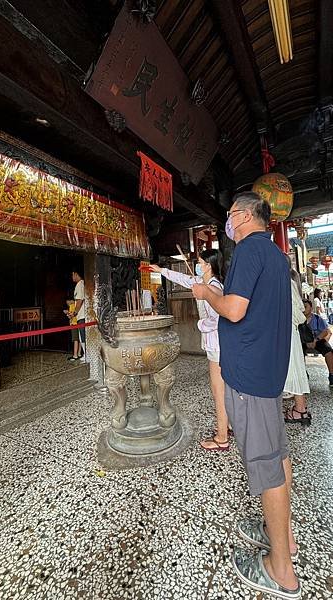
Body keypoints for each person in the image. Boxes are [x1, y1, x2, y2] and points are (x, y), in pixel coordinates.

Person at [192, 192, 300, 599]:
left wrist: (206, 294)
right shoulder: (273, 254)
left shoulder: (248, 251)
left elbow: (235, 309)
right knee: (280, 453)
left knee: (266, 463)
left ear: (243, 215)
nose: (227, 221)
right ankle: (282, 536)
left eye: (229, 215)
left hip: (252, 377)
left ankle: (281, 571)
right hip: (268, 370)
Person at [151, 249, 230, 451]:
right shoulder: (204, 283)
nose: (198, 265)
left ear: (209, 266)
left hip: (218, 343)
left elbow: (219, 317)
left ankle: (222, 437)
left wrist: (201, 324)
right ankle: (227, 424)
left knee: (218, 390)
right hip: (216, 343)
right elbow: (184, 278)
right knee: (223, 388)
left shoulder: (214, 288)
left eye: (201, 262)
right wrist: (161, 270)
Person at [283, 257, 311, 425]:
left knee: (293, 369)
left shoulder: (285, 282)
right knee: (295, 369)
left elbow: (297, 314)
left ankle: (300, 410)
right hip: (289, 333)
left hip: (288, 333)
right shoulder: (290, 281)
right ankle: (300, 409)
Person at [303, 299, 333, 386]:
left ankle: (331, 374)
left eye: (306, 307)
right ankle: (303, 373)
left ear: (311, 308)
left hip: (318, 340)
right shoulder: (299, 319)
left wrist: (316, 340)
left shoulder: (317, 318)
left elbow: (325, 331)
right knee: (297, 351)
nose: (303, 309)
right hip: (303, 341)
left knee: (328, 350)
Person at [67, 270, 85, 361]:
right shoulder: (82, 284)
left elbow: (79, 301)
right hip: (80, 316)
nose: (72, 277)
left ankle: (86, 355)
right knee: (81, 336)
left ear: (75, 274)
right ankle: (84, 355)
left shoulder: (79, 284)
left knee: (82, 337)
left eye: (72, 274)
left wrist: (74, 313)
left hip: (81, 316)